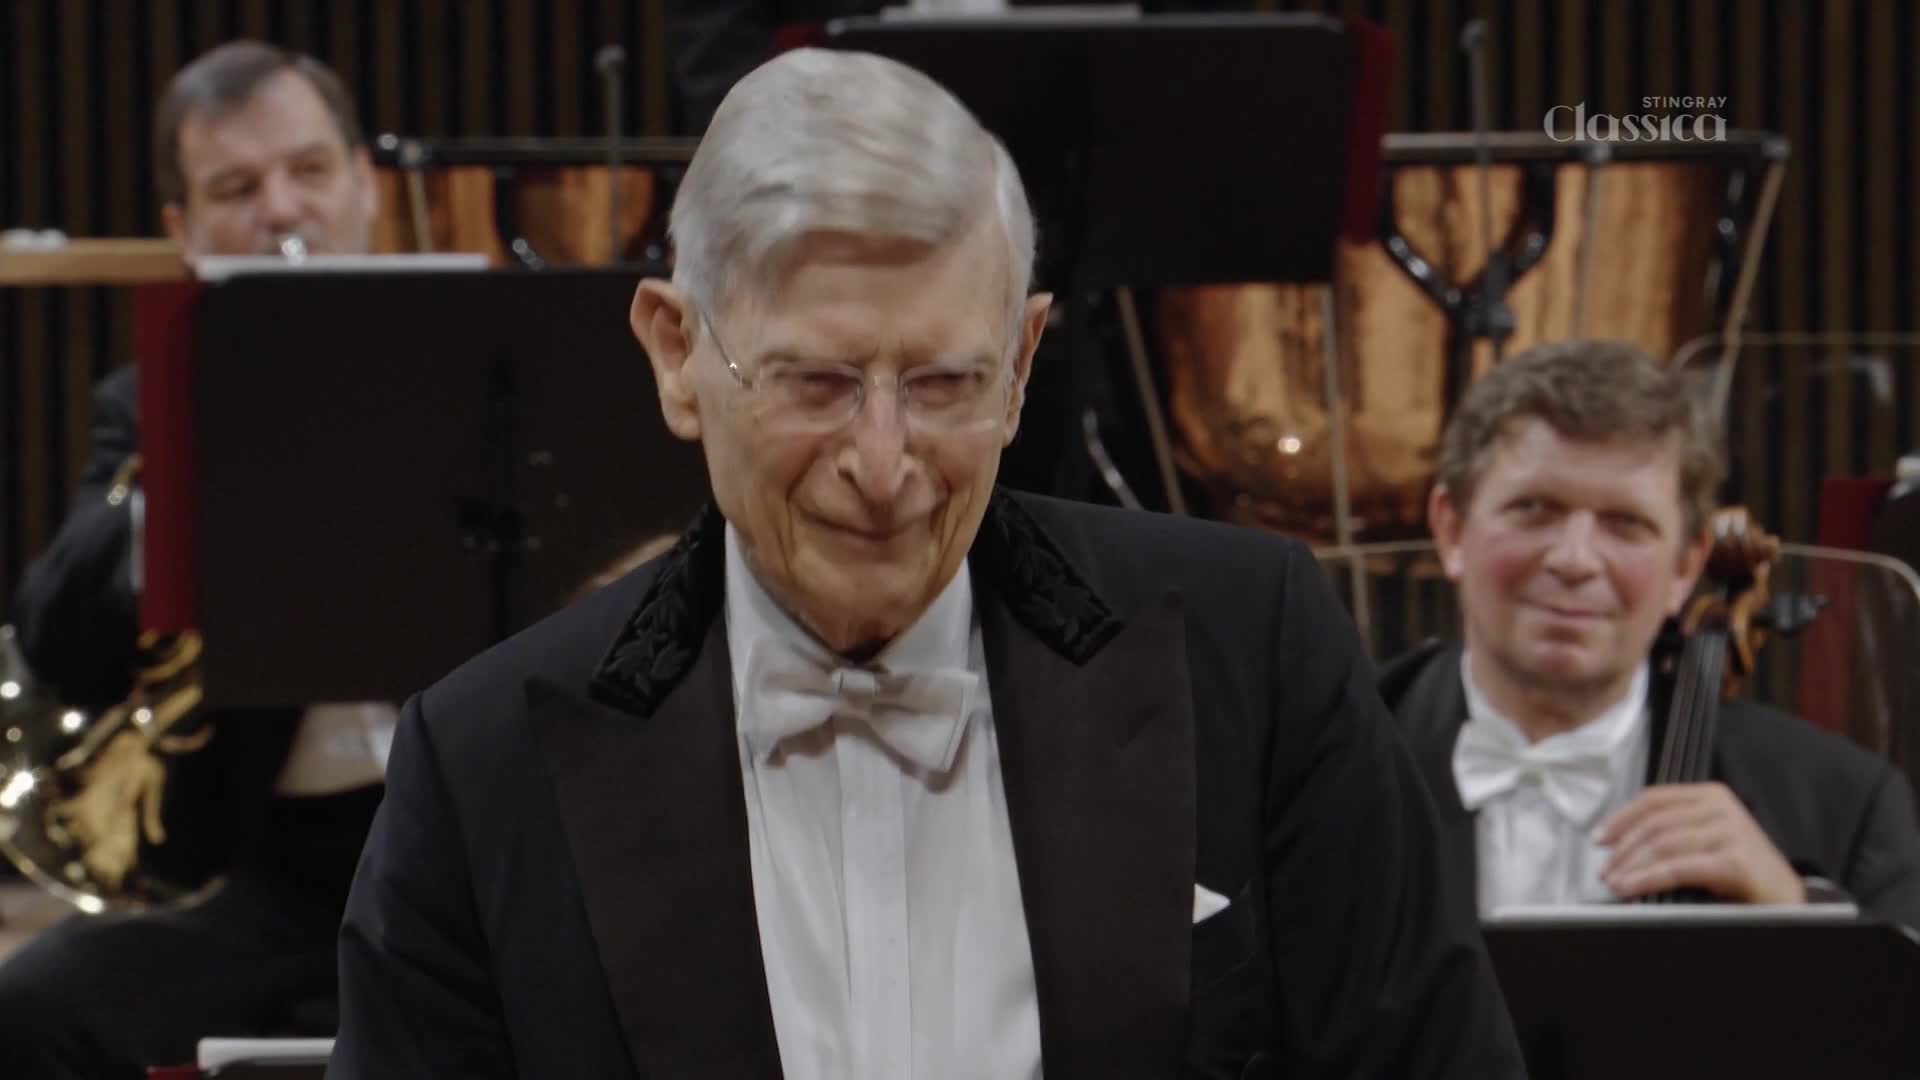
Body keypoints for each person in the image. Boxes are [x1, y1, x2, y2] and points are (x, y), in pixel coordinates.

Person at [328, 47, 1524, 1079]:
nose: (887, 462)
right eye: (819, 383)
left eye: (947, 383)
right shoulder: (485, 766)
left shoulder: (1250, 650)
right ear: (676, 355)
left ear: (1022, 363)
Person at [0, 41, 390, 1078]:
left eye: (310, 172)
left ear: (366, 188)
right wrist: (180, 477)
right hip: (285, 883)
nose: (282, 212)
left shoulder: (497, 369)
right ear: (184, 231)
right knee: (35, 1005)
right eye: (237, 188)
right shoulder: (148, 401)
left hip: (485, 862)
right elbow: (51, 630)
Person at [1379, 341, 1920, 925]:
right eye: (1534, 509)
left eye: (1626, 524)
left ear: (1686, 567)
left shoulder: (1843, 803)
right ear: (1452, 530)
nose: (1575, 559)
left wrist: (1797, 913)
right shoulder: (1322, 762)